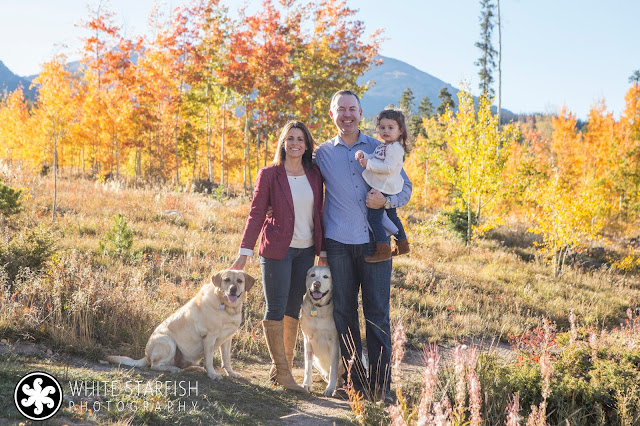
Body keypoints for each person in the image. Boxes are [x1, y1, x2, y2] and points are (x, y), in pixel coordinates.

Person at [314, 90, 412, 403]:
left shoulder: (380, 146)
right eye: (340, 109)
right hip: (339, 243)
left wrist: (388, 200)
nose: (346, 114)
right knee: (343, 313)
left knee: (378, 314)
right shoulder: (322, 154)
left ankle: (382, 387)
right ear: (332, 115)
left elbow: (406, 188)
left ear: (360, 113)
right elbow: (299, 183)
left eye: (352, 109)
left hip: (375, 244)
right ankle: (353, 383)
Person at [231, 120, 325, 392]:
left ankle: (279, 368)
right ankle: (284, 373)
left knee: (293, 308)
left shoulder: (315, 174)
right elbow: (257, 213)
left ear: (307, 145)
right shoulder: (270, 174)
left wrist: (322, 251)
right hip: (276, 251)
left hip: (306, 251)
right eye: (290, 138)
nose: (295, 143)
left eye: (300, 139)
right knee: (276, 306)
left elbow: (319, 213)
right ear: (283, 143)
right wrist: (244, 252)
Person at [355, 108, 410, 263]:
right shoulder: (384, 145)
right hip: (386, 187)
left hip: (385, 188)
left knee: (374, 218)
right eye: (382, 127)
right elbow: (374, 157)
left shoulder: (395, 148)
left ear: (400, 131)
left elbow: (388, 168)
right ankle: (402, 243)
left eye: (390, 128)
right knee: (392, 216)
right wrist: (364, 156)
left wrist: (368, 164)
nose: (386, 131)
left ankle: (383, 249)